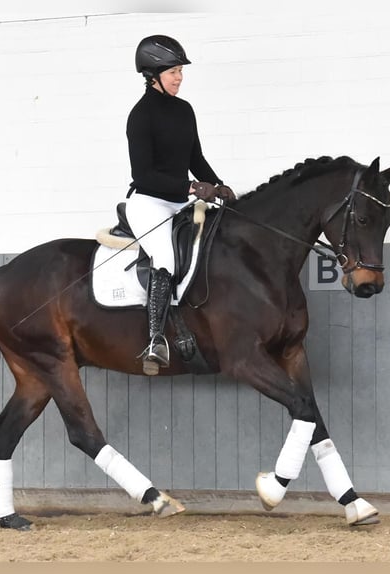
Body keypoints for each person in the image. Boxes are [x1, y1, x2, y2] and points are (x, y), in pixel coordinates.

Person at [125, 34, 235, 375]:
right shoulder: (140, 116)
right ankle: (155, 339)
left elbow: (195, 157)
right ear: (153, 74)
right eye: (173, 72)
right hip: (149, 203)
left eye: (180, 71)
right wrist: (190, 186)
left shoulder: (185, 110)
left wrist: (217, 186)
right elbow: (143, 175)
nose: (179, 77)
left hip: (180, 204)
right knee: (166, 259)